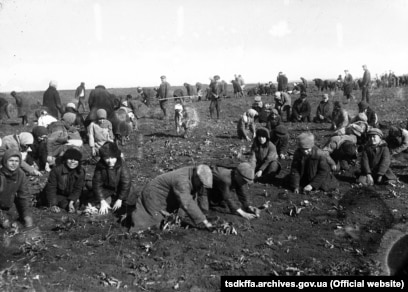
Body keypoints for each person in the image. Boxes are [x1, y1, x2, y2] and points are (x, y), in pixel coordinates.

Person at [129, 164, 213, 233]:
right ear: (196, 177)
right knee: (150, 224)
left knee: (162, 220)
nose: (201, 187)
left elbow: (191, 197)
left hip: (164, 195)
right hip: (153, 194)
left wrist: (181, 217)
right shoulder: (182, 180)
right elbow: (186, 202)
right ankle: (132, 230)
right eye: (201, 184)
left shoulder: (192, 173)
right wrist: (204, 221)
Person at [92, 142, 137, 215]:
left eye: (112, 158)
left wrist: (120, 199)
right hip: (107, 189)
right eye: (107, 158)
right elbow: (97, 184)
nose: (110, 161)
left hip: (121, 189)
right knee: (100, 206)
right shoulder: (100, 166)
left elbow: (126, 182)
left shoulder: (121, 164)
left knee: (130, 204)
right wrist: (102, 201)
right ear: (103, 158)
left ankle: (118, 200)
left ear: (116, 157)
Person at [42, 148, 85, 213]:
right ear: (65, 160)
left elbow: (78, 189)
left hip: (69, 196)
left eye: (76, 160)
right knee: (54, 206)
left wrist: (72, 201)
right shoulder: (56, 170)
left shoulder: (81, 172)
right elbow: (51, 188)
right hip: (57, 194)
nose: (73, 161)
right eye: (70, 159)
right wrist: (53, 205)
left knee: (75, 205)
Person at [0, 149, 33, 229]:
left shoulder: (20, 174)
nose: (14, 163)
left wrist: (26, 215)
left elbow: (24, 196)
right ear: (5, 161)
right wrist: (2, 218)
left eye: (16, 161)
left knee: (26, 221)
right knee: (5, 225)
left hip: (7, 205)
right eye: (11, 160)